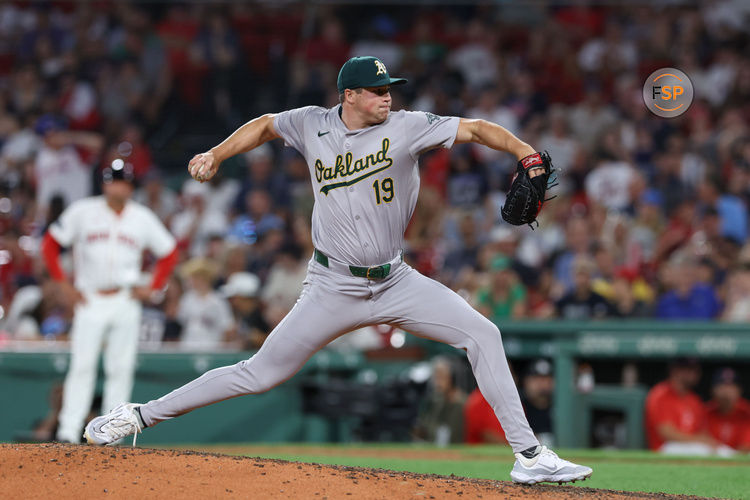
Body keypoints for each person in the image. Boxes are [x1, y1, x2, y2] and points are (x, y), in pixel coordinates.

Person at [84, 55, 591, 485]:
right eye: (376, 91)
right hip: (331, 284)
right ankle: (137, 416)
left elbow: (478, 128)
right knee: (259, 374)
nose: (387, 97)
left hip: (395, 280)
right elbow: (263, 124)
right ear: (349, 95)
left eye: (389, 89)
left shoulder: (409, 127)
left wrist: (524, 153)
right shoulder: (311, 123)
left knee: (483, 334)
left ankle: (530, 458)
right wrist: (216, 153)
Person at [40, 160, 178, 443]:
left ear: (130, 186)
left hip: (125, 299)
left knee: (121, 368)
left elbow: (169, 251)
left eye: (125, 181)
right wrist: (62, 284)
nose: (119, 186)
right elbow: (50, 244)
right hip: (89, 299)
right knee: (82, 366)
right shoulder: (83, 211)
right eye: (114, 180)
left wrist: (152, 287)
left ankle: (111, 435)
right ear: (104, 184)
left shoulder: (141, 217)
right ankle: (68, 432)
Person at [644, 358, 719, 455]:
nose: (692, 373)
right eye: (687, 369)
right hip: (666, 448)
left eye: (694, 369)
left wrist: (708, 441)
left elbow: (702, 431)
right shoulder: (660, 394)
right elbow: (667, 433)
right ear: (674, 371)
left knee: (725, 452)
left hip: (692, 445)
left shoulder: (694, 400)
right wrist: (699, 440)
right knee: (702, 450)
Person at [412, 357, 466, 445]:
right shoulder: (436, 400)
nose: (437, 382)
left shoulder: (461, 403)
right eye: (435, 377)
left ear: (452, 378)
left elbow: (454, 437)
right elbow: (425, 428)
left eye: (441, 377)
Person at [705, 367, 750, 453]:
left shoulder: (747, 412)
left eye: (731, 386)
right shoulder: (706, 411)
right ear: (712, 390)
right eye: (722, 386)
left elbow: (745, 448)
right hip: (713, 458)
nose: (726, 391)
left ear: (739, 390)